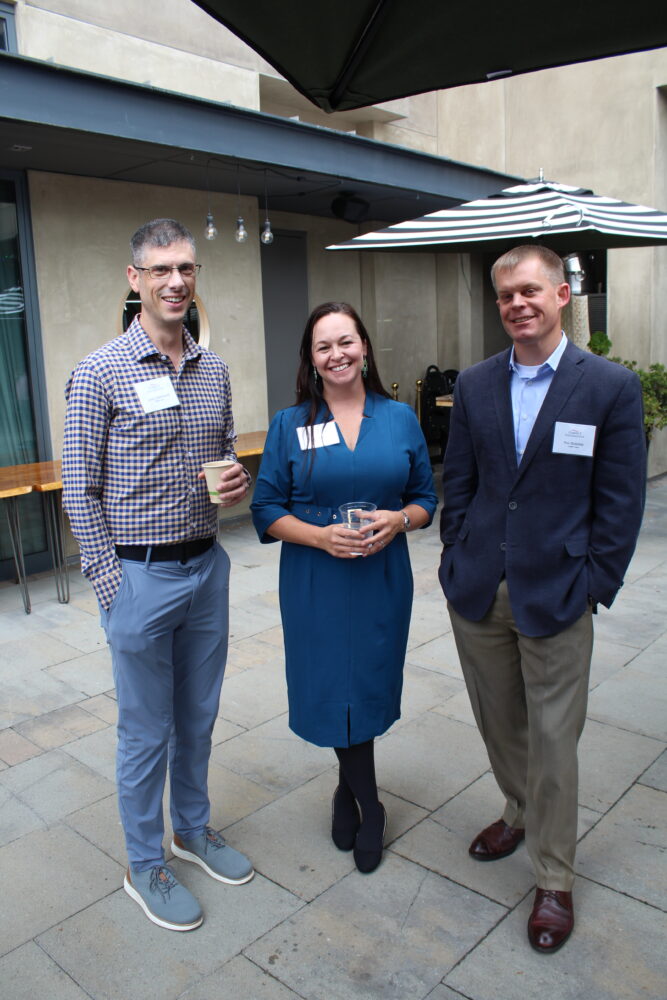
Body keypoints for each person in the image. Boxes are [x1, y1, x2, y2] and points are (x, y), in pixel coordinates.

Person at [439, 245, 646, 952]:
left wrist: (595, 582)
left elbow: (619, 502)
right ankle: (519, 808)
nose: (516, 304)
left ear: (561, 295)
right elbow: (457, 481)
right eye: (504, 296)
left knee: (554, 740)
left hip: (558, 590)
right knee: (501, 726)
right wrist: (454, 549)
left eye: (529, 291)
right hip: (478, 589)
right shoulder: (473, 383)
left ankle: (553, 879)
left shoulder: (608, 387)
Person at [62, 218, 254, 932]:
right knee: (146, 733)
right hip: (139, 578)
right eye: (162, 269)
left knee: (197, 718)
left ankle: (192, 832)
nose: (177, 282)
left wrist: (230, 486)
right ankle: (145, 864)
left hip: (206, 568)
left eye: (188, 269)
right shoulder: (101, 370)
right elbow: (78, 488)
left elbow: (222, 456)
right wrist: (112, 587)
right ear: (134, 278)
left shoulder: (214, 369)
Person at [251, 302, 437, 873]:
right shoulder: (291, 424)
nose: (337, 355)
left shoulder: (400, 418)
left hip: (382, 576)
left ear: (365, 348)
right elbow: (265, 509)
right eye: (324, 346)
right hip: (316, 579)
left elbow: (427, 500)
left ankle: (346, 790)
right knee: (333, 684)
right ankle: (371, 805)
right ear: (310, 358)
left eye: (346, 342)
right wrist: (319, 536)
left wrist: (398, 520)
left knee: (369, 683)